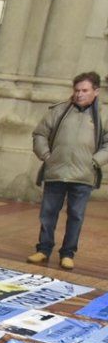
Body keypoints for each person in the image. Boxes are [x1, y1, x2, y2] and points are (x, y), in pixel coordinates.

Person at [28, 71, 108, 271]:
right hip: (56, 172)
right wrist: (47, 156)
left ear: (96, 92)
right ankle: (43, 249)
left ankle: (67, 253)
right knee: (48, 213)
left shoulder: (104, 116)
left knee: (76, 215)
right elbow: (39, 134)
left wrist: (95, 162)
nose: (79, 94)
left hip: (83, 175)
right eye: (77, 90)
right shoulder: (59, 110)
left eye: (85, 90)